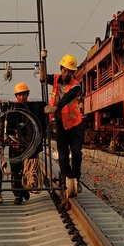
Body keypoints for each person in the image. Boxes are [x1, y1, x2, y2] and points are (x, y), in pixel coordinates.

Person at [40, 51, 83, 192]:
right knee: (63, 156)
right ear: (61, 69)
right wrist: (42, 60)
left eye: (70, 72)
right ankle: (67, 179)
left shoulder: (76, 86)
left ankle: (76, 179)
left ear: (73, 73)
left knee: (76, 153)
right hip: (60, 124)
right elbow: (42, 79)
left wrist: (54, 108)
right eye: (65, 70)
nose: (66, 74)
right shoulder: (56, 79)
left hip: (74, 124)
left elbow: (66, 99)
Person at [7, 82, 45, 204]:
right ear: (16, 96)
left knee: (28, 170)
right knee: (15, 170)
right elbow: (8, 128)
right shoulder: (12, 108)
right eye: (20, 95)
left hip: (29, 145)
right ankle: (18, 195)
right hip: (16, 145)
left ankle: (24, 189)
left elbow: (39, 125)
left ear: (27, 95)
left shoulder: (33, 107)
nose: (22, 97)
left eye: (24, 94)